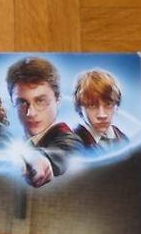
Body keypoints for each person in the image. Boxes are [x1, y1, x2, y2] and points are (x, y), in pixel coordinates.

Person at [5, 57, 83, 187]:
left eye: (40, 101)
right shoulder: (20, 142)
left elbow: (68, 149)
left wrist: (43, 159)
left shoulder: (68, 138)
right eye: (22, 102)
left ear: (58, 101)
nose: (31, 113)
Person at [72, 69, 129, 150]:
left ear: (117, 106)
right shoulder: (71, 144)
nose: (102, 115)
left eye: (108, 104)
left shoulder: (123, 139)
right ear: (79, 108)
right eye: (92, 105)